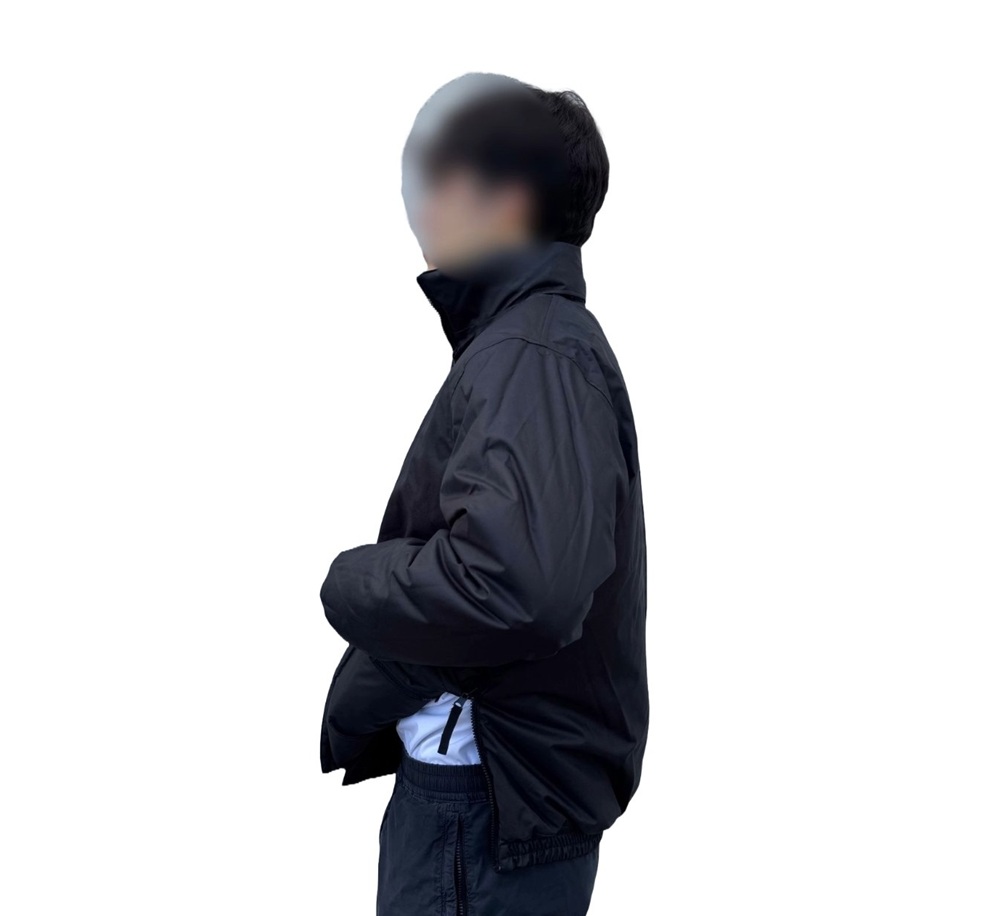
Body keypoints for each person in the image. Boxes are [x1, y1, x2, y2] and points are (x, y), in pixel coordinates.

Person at [319, 72, 648, 916]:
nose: (423, 202)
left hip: (479, 808)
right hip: (499, 804)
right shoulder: (535, 345)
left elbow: (517, 587)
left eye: (443, 177)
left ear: (508, 203)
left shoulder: (530, 354)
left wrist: (353, 580)